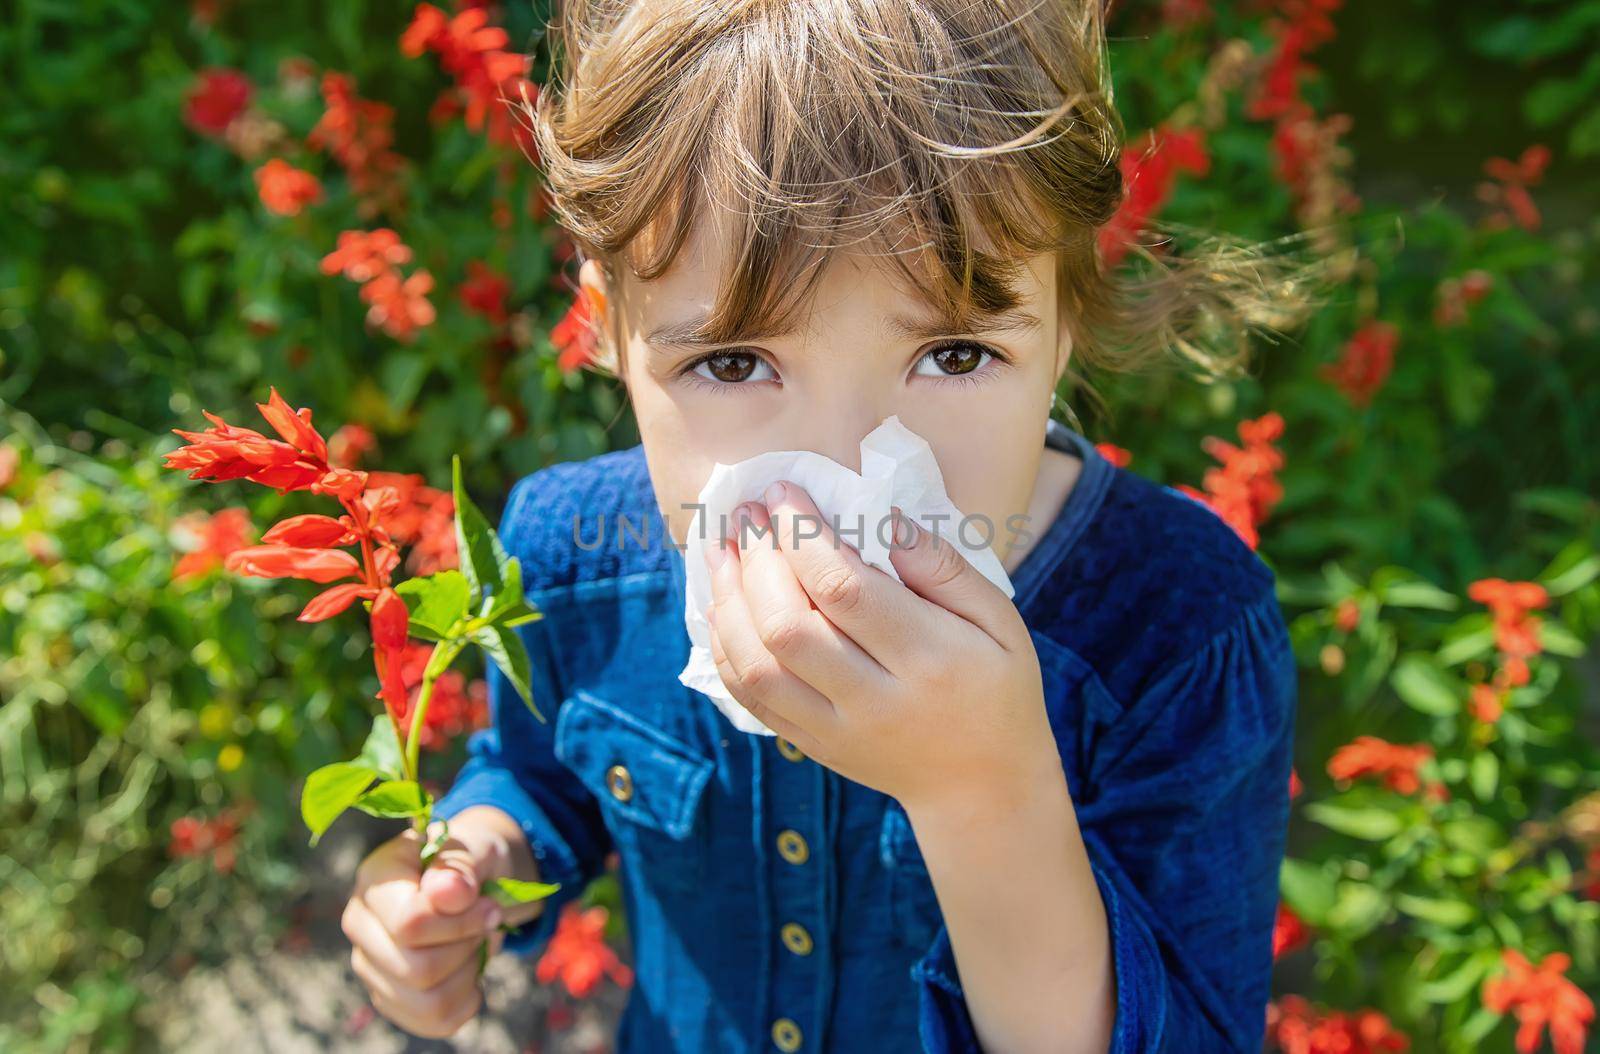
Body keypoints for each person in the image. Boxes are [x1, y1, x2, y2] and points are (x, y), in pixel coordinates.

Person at [339, 1, 1308, 1050]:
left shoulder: (1181, 631)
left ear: (1065, 318)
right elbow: (542, 775)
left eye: (951, 354)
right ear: (603, 326)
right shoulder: (571, 555)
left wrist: (981, 785)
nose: (846, 468)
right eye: (733, 362)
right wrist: (477, 871)